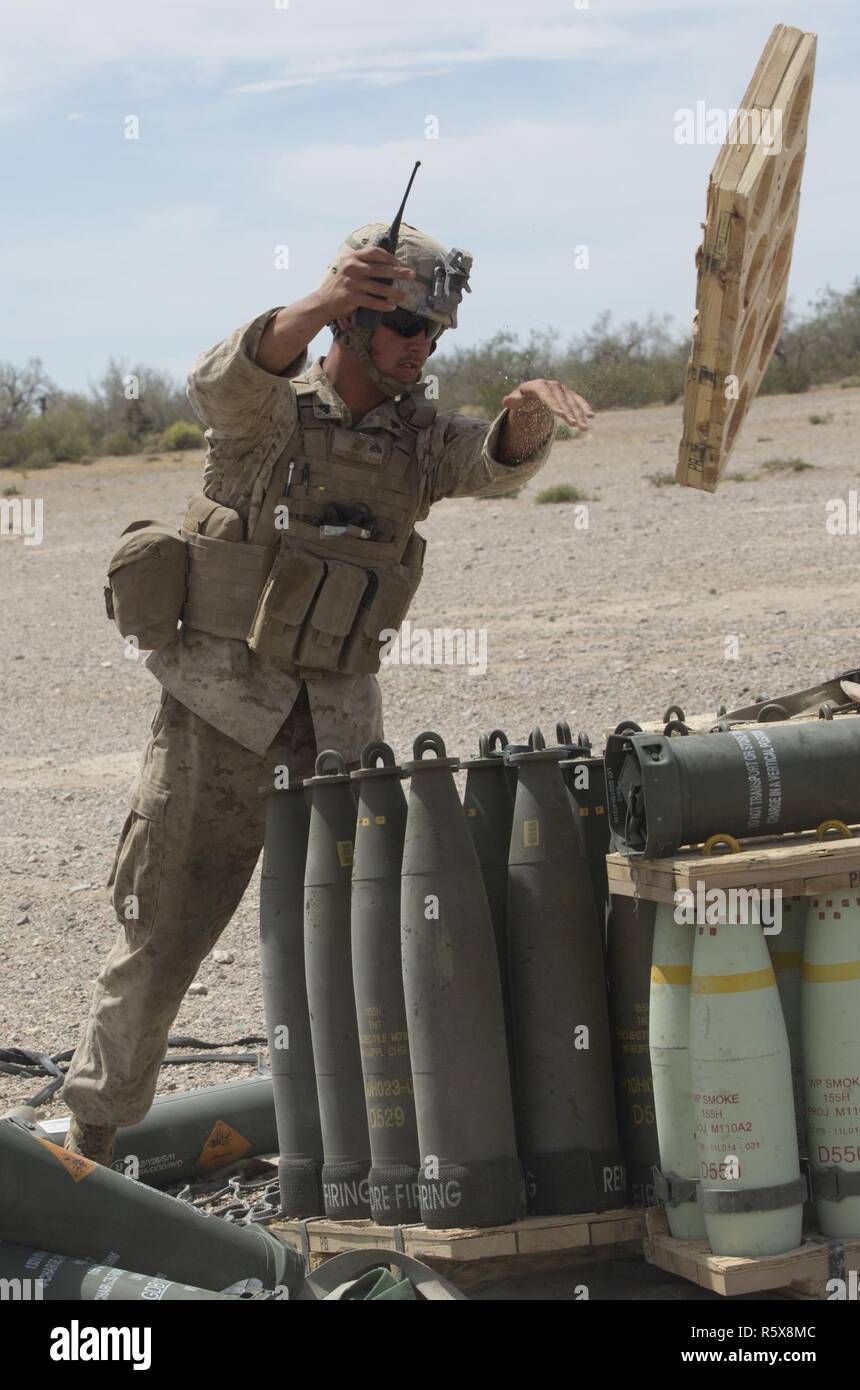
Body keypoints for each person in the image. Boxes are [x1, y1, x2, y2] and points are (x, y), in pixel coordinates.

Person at [61, 220, 594, 1163]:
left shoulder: (416, 439)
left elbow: (490, 463)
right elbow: (224, 377)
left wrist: (527, 422)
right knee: (164, 932)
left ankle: (364, 1155)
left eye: (435, 335)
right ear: (353, 327)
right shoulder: (268, 414)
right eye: (405, 330)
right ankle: (89, 1148)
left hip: (340, 730)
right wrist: (318, 298)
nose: (423, 350)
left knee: (365, 945)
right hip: (218, 717)